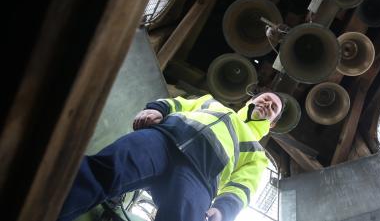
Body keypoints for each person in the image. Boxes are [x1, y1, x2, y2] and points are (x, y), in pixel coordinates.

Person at [58, 92, 285, 221]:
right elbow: (178, 103)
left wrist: (224, 210)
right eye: (265, 98)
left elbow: (243, 186)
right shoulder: (211, 103)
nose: (267, 104)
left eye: (273, 107)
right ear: (251, 99)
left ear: (272, 123)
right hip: (163, 140)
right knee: (105, 170)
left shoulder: (257, 154)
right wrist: (157, 109)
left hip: (200, 179)